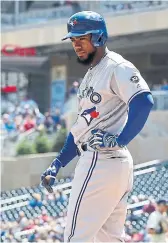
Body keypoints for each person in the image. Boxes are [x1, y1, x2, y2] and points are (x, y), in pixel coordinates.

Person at [40, 11, 154, 242]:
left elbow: (144, 101)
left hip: (100, 160)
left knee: (75, 238)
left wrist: (120, 139)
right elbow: (81, 128)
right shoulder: (93, 73)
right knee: (110, 239)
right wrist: (58, 162)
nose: (76, 45)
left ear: (99, 38)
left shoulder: (116, 67)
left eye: (81, 39)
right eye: (73, 40)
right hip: (112, 163)